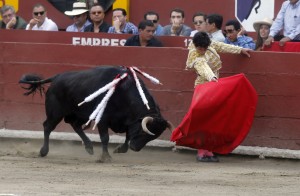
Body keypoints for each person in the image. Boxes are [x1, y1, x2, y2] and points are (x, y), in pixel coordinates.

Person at [186, 32, 252, 162]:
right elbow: (202, 66)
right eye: (200, 48)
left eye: (205, 48)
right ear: (196, 45)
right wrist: (213, 78)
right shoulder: (194, 53)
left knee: (212, 120)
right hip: (203, 88)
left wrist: (241, 50)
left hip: (213, 87)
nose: (203, 50)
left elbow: (222, 46)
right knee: (204, 120)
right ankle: (201, 151)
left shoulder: (209, 45)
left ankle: (208, 149)